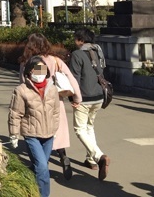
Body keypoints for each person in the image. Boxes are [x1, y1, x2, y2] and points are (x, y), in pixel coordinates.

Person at [19, 33, 82, 180]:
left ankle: (41, 166)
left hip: (34, 103)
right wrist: (77, 98)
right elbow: (71, 79)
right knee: (55, 132)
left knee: (37, 134)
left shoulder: (28, 62)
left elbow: (23, 83)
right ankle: (63, 157)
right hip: (55, 102)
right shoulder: (56, 60)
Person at [9, 56, 61, 197]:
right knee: (43, 167)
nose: (39, 73)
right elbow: (15, 113)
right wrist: (14, 134)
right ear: (29, 72)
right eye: (35, 69)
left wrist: (55, 129)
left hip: (49, 134)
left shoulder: (52, 89)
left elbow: (56, 111)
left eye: (41, 69)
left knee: (39, 167)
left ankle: (28, 186)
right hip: (31, 134)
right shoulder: (21, 90)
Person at [69, 27, 110, 181]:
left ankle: (99, 157)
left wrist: (74, 98)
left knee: (79, 129)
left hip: (84, 96)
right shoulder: (98, 50)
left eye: (75, 39)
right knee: (89, 127)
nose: (74, 41)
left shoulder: (77, 54)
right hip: (99, 95)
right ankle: (91, 160)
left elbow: (74, 78)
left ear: (80, 40)